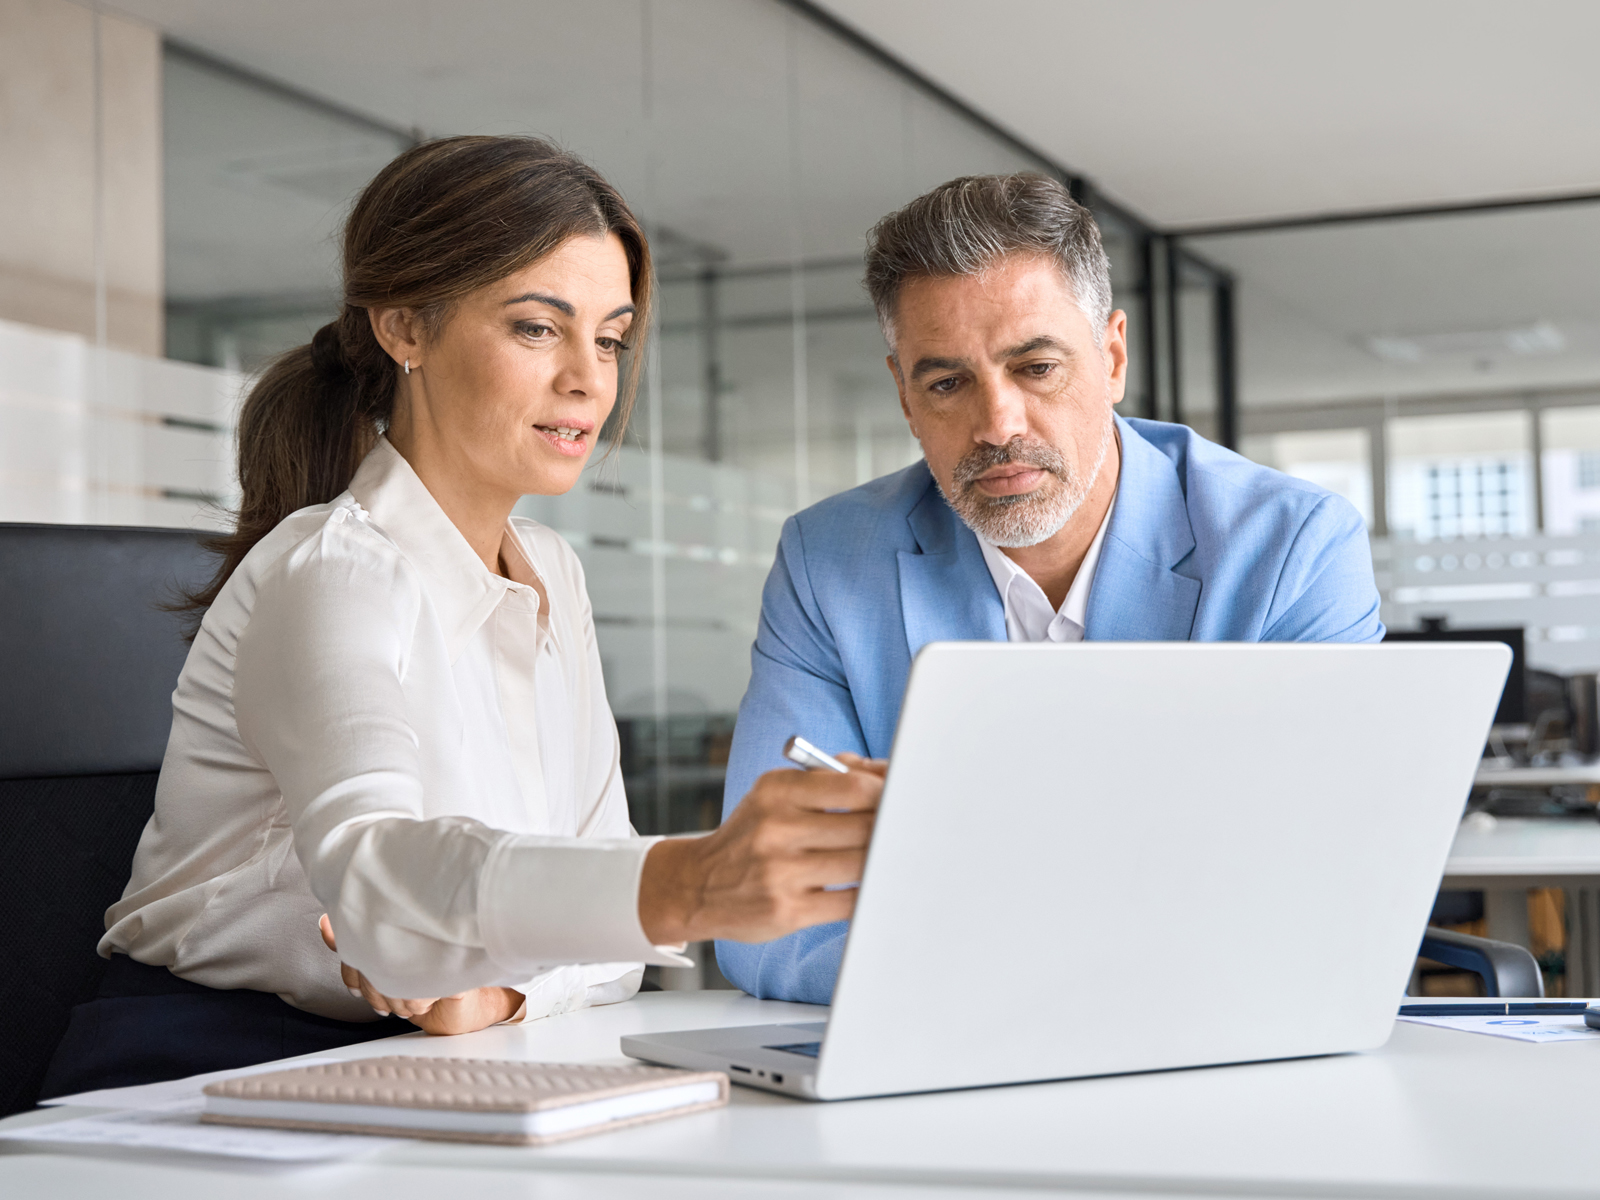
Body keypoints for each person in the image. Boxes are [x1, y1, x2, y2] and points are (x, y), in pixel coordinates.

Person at [41, 136, 881, 1097]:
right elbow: (375, 878)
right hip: (199, 1069)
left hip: (439, 1057)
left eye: (608, 337)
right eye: (536, 328)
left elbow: (611, 955)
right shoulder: (332, 569)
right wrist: (686, 883)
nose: (589, 380)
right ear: (404, 327)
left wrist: (501, 997)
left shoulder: (552, 574)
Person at [715, 173, 1383, 1004]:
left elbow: (1326, 879)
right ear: (903, 395)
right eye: (947, 383)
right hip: (934, 1061)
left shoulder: (1291, 547)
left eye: (1035, 366)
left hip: (1211, 1051)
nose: (998, 425)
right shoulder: (829, 563)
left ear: (1111, 357)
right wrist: (1026, 995)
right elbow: (763, 911)